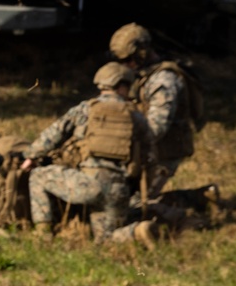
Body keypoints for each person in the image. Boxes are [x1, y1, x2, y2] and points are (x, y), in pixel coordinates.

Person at [20, 62, 154, 242]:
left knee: (37, 176)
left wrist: (30, 156)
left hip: (87, 185)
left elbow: (53, 135)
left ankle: (43, 235)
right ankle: (138, 231)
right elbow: (150, 154)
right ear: (123, 86)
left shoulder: (85, 108)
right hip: (119, 189)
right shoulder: (136, 116)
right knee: (105, 239)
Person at [109, 22, 200, 198]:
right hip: (142, 149)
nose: (124, 65)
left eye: (128, 60)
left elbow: (156, 129)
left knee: (131, 203)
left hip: (163, 153)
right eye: (120, 61)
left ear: (142, 53)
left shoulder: (163, 81)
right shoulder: (140, 74)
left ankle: (197, 199)